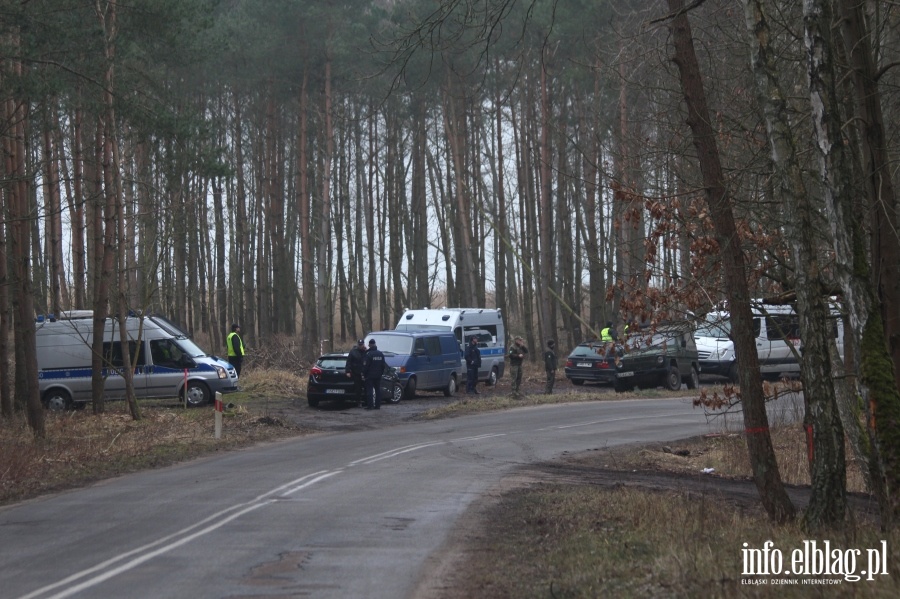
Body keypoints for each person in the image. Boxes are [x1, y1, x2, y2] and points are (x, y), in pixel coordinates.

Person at [361, 338, 386, 410]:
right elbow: (383, 366)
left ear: (369, 345)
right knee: (378, 390)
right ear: (375, 344)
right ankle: (378, 405)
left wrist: (363, 373)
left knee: (369, 390)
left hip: (370, 376)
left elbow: (365, 366)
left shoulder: (369, 354)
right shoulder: (380, 353)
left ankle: (370, 405)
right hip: (378, 375)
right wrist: (380, 373)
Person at [345, 339, 367, 407]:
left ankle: (367, 401)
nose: (360, 346)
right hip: (356, 372)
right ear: (358, 344)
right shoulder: (353, 352)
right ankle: (359, 401)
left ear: (363, 344)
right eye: (359, 345)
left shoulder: (366, 352)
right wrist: (348, 371)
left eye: (361, 344)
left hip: (365, 372)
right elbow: (348, 362)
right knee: (358, 388)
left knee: (366, 387)